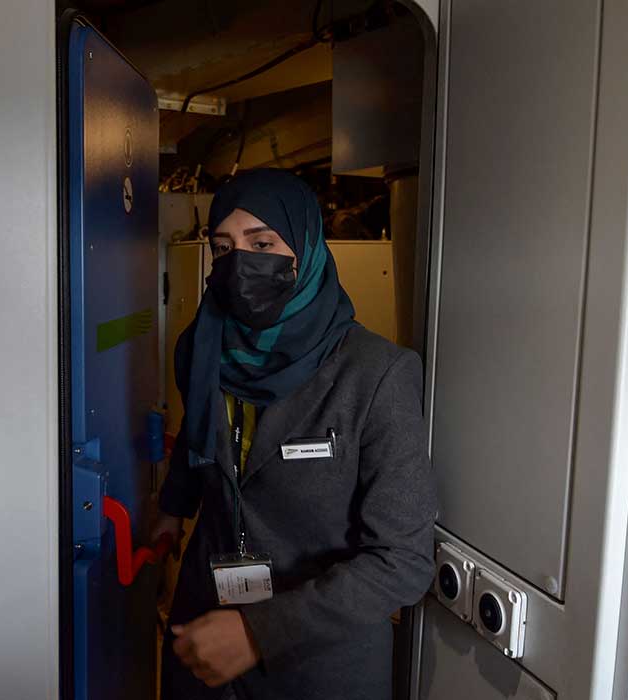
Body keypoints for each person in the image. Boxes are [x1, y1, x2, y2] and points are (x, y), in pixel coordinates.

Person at [153, 169, 437, 700]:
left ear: (305, 249)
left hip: (318, 663)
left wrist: (258, 632)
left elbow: (403, 560)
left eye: (262, 243)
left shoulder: (375, 374)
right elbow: (200, 446)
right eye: (223, 246)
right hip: (205, 637)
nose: (240, 262)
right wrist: (173, 507)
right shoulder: (201, 346)